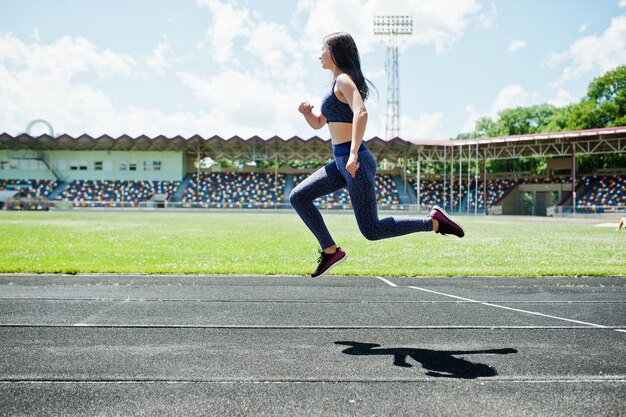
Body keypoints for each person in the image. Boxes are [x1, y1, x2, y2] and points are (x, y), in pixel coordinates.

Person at [290, 32, 464, 278]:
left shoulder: (343, 81)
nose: (319, 55)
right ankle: (330, 250)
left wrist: (352, 155)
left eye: (322, 49)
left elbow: (361, 112)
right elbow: (320, 123)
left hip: (354, 161)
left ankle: (433, 222)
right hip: (341, 163)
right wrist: (307, 114)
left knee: (371, 230)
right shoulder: (334, 85)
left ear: (334, 53)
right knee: (299, 196)